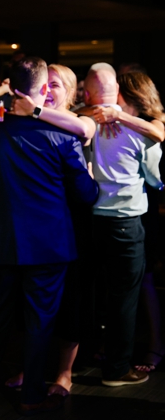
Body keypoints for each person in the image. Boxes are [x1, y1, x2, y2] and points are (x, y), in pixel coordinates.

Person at [0, 57, 99, 413]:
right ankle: (31, 396)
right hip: (49, 245)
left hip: (1, 241)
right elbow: (87, 196)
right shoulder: (63, 135)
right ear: (42, 90)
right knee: (40, 321)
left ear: (12, 88)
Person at [82, 63, 160, 387]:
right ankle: (117, 369)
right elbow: (156, 179)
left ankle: (89, 355)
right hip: (127, 224)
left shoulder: (84, 122)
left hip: (93, 222)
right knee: (124, 299)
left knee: (97, 294)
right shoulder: (141, 132)